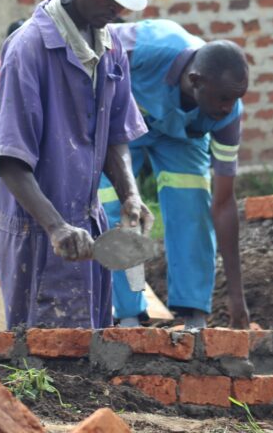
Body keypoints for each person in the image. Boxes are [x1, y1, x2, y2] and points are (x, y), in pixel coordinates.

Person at [0, 0, 155, 329]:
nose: (116, 10)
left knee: (87, 350)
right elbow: (10, 159)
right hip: (35, 227)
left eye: (123, 3)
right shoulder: (29, 49)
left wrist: (129, 194)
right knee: (37, 358)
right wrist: (55, 226)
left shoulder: (111, 49)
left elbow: (117, 135)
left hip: (85, 223)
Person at [99, 19, 251, 330]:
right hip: (126, 124)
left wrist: (238, 299)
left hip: (182, 137)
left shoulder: (226, 116)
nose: (229, 107)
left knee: (192, 205)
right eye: (223, 98)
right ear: (195, 81)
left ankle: (194, 315)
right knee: (115, 205)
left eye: (236, 99)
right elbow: (91, 47)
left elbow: (223, 204)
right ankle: (127, 315)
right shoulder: (144, 48)